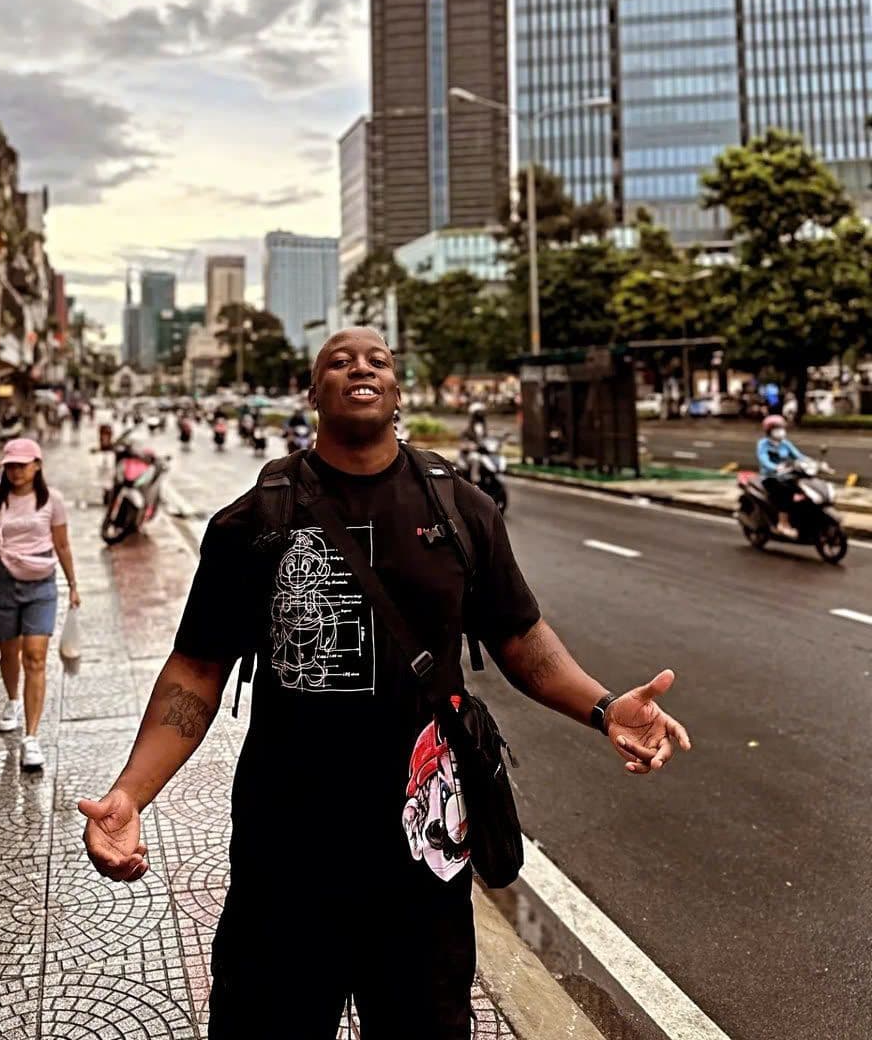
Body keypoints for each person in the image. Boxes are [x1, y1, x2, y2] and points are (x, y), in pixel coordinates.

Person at [80, 327, 692, 1039]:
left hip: (421, 855)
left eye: (377, 361)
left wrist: (604, 705)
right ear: (313, 394)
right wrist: (132, 793)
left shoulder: (461, 510)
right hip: (286, 850)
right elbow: (196, 670)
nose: (359, 368)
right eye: (337, 362)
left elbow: (520, 638)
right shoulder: (253, 520)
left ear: (397, 390)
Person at [0, 438, 79, 771]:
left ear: (37, 465)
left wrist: (72, 585)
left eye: (22, 465)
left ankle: (32, 737)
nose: (16, 471)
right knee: (9, 651)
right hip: (1, 583)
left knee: (36, 657)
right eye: (11, 465)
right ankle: (12, 700)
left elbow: (63, 545)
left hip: (41, 584)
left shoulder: (52, 500)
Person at [757, 414, 807, 539]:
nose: (780, 431)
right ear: (769, 430)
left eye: (781, 428)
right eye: (777, 428)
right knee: (786, 492)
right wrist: (775, 467)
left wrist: (813, 463)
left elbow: (799, 456)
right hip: (770, 478)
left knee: (804, 490)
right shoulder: (763, 444)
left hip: (786, 476)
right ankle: (782, 524)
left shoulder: (785, 444)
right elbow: (763, 459)